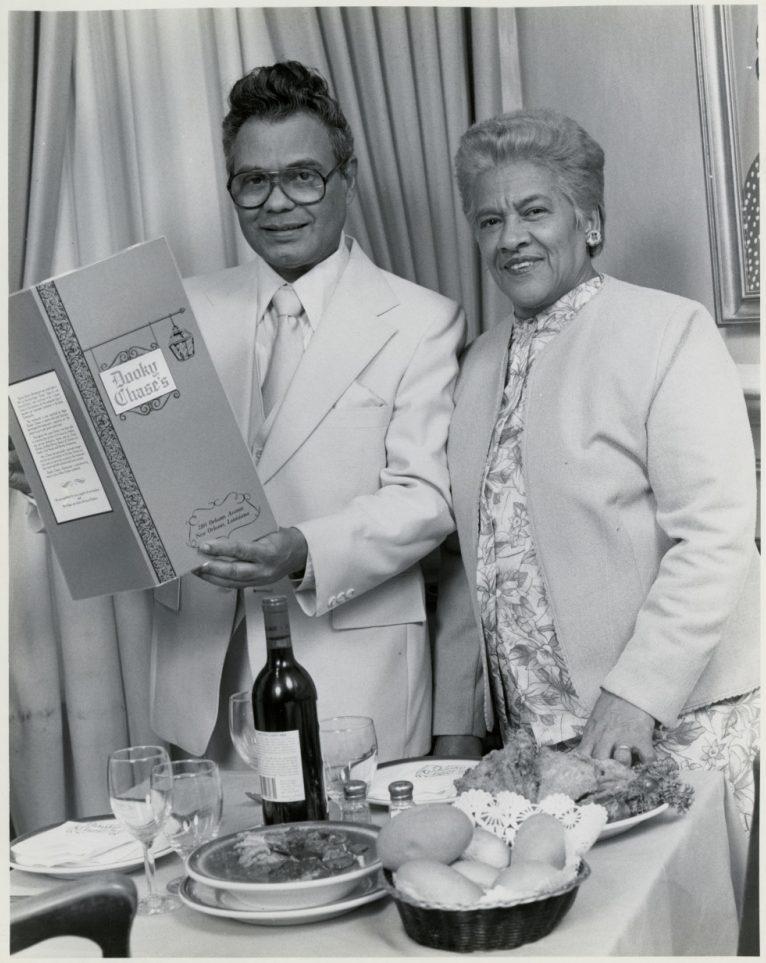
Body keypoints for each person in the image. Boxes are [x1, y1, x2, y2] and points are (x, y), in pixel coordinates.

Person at [432, 109, 759, 869]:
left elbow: (715, 536)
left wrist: (638, 693)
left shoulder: (668, 330)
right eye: (489, 219)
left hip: (678, 720)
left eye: (534, 210)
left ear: (591, 221)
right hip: (540, 750)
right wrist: (457, 721)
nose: (510, 236)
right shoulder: (478, 365)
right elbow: (469, 560)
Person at [146, 61, 465, 763]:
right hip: (200, 683)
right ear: (232, 189)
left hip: (353, 678)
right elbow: (143, 478)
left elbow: (426, 498)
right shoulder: (179, 311)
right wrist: (65, 483)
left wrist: (303, 550)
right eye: (253, 181)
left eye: (303, 175)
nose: (278, 202)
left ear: (345, 177)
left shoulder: (423, 321)